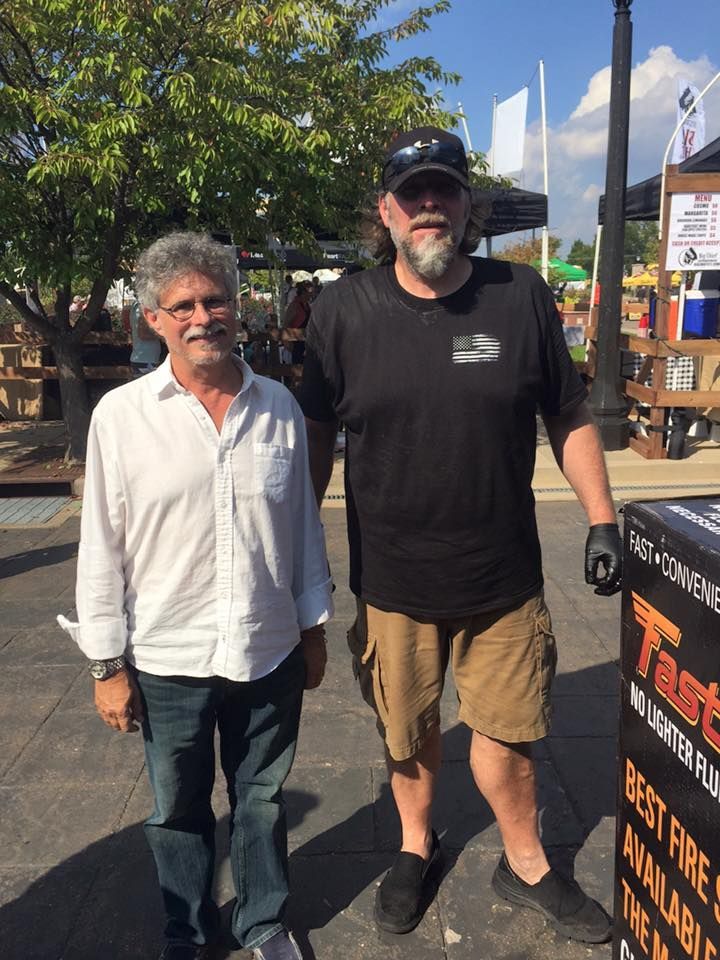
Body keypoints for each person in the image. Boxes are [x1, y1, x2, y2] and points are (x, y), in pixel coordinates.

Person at [299, 126, 621, 944]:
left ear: (467, 205)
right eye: (414, 196)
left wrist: (601, 519)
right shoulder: (343, 309)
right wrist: (299, 549)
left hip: (501, 578)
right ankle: (415, 845)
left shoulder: (520, 296)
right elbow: (315, 437)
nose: (430, 208)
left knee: (510, 739)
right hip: (395, 579)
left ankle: (527, 863)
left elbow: (569, 414)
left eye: (445, 191)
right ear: (388, 211)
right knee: (406, 737)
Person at [58, 232, 333, 960]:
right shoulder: (122, 418)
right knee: (177, 811)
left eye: (215, 300)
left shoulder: (277, 407)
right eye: (182, 306)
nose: (201, 316)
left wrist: (314, 627)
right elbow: (101, 546)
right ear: (152, 319)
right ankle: (187, 929)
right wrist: (105, 664)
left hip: (267, 645)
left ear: (237, 309)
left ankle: (265, 921)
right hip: (167, 654)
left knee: (262, 799)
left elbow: (302, 525)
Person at [128, 296, 162, 376]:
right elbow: (143, 334)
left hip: (142, 359)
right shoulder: (143, 307)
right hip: (146, 360)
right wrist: (162, 335)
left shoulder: (135, 305)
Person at [285, 281, 312, 364]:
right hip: (296, 341)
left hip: (306, 341)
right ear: (304, 292)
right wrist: (287, 342)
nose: (311, 294)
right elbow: (286, 324)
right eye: (310, 292)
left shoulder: (307, 305)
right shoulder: (294, 305)